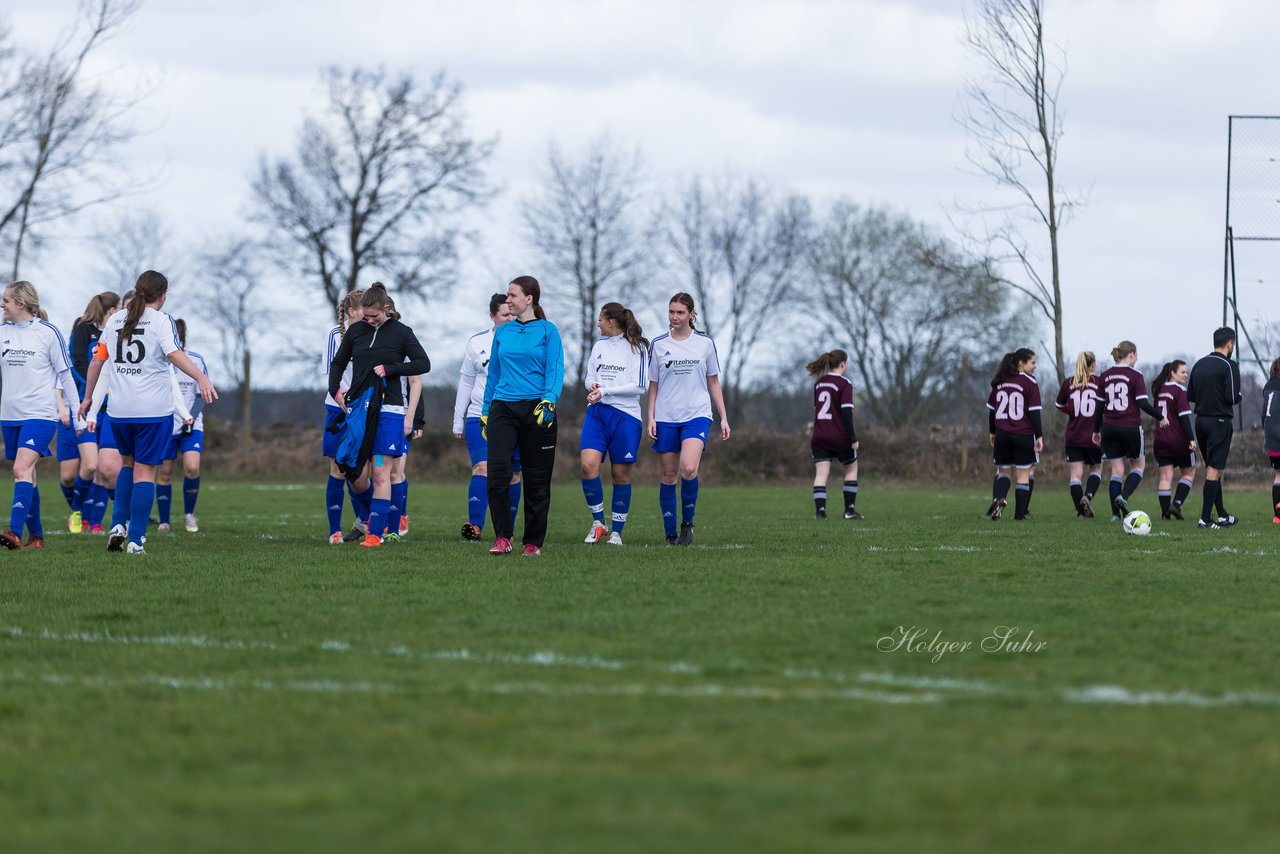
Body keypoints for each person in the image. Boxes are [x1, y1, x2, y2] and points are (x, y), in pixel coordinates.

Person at [78, 272, 217, 555]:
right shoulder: (161, 320)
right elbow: (174, 354)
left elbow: (97, 361)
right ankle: (136, 539)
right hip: (153, 411)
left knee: (127, 465)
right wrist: (201, 377)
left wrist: (89, 398)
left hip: (119, 411)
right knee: (145, 473)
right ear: (163, 295)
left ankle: (118, 524)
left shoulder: (115, 319)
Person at [328, 283, 430, 547]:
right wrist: (336, 390)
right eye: (366, 315)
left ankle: (375, 534)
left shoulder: (401, 332)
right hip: (359, 409)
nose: (369, 320)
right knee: (356, 474)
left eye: (374, 316)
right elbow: (339, 362)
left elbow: (423, 363)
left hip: (390, 411)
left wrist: (390, 368)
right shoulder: (356, 331)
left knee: (382, 473)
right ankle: (373, 518)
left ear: (386, 308)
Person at [480, 275, 564, 556]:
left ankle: (532, 543)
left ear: (529, 298)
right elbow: (494, 374)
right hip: (502, 408)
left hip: (538, 410)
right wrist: (485, 411)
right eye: (507, 296)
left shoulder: (548, 331)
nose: (508, 301)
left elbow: (555, 370)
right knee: (497, 476)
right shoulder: (503, 332)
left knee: (537, 480)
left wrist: (549, 401)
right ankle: (503, 537)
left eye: (513, 295)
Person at [0, 281, 83, 549]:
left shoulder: (47, 333)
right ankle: (36, 537)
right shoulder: (2, 331)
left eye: (6, 301)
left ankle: (14, 533)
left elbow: (66, 376)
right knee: (29, 474)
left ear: (21, 304)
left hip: (41, 414)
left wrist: (77, 413)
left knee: (20, 468)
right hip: (10, 416)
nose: (2, 305)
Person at [647, 292, 731, 545]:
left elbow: (713, 381)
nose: (674, 317)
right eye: (671, 312)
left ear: (691, 314)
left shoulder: (705, 343)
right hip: (666, 416)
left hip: (697, 414)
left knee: (688, 468)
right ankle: (670, 533)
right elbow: (653, 384)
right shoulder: (659, 344)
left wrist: (724, 417)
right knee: (669, 474)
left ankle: (688, 525)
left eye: (680, 312)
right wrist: (650, 416)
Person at [452, 293, 521, 542]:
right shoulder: (477, 342)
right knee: (483, 468)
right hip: (479, 416)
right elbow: (466, 381)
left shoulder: (524, 340)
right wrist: (457, 420)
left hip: (514, 417)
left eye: (513, 313)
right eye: (505, 315)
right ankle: (475, 526)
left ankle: (507, 531)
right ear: (492, 316)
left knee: (513, 474)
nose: (511, 318)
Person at [580, 302, 648, 546]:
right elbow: (589, 377)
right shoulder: (599, 346)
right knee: (588, 465)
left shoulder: (637, 347)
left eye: (600, 319)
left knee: (620, 475)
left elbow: (640, 386)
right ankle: (599, 522)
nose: (597, 323)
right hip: (597, 414)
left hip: (625, 418)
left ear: (611, 322)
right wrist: (594, 387)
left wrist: (606, 391)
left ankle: (616, 532)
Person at [57, 292, 119, 533]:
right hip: (86, 408)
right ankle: (77, 511)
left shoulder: (117, 332)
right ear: (111, 310)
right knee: (86, 468)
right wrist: (94, 391)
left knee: (102, 468)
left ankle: (94, 522)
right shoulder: (83, 330)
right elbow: (79, 364)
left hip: (112, 411)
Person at [1092, 340, 1166, 522]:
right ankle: (1123, 497)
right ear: (1131, 354)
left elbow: (1099, 407)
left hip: (1109, 427)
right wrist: (1160, 416)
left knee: (1116, 471)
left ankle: (1115, 515)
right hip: (1130, 427)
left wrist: (1096, 430)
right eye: (1136, 356)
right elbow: (1142, 403)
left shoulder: (1105, 375)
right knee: (1138, 466)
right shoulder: (1135, 375)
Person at [322, 289, 374, 544]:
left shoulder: (374, 332)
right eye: (365, 307)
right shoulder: (335, 334)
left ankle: (367, 521)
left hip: (364, 409)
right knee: (337, 469)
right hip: (338, 407)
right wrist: (342, 396)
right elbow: (331, 371)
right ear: (353, 311)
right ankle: (335, 531)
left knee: (358, 471)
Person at [377, 295, 425, 544]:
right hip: (380, 413)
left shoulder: (405, 343)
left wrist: (417, 420)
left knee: (398, 470)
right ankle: (381, 522)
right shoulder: (377, 343)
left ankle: (398, 518)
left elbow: (416, 382)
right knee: (381, 471)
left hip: (402, 414)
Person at [155, 319, 208, 534]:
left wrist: (191, 419)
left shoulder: (195, 360)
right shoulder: (160, 362)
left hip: (191, 427)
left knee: (192, 467)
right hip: (167, 425)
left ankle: (189, 515)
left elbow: (201, 394)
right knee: (165, 472)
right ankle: (164, 521)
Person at [1187, 327, 1242, 528]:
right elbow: (1232, 397)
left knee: (1212, 469)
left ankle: (1222, 515)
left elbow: (1190, 395)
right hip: (1219, 421)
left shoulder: (1199, 364)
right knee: (1214, 470)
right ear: (1230, 344)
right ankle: (1205, 519)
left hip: (1200, 421)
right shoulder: (1229, 365)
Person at [984, 348, 1042, 521]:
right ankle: (1019, 516)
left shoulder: (1000, 381)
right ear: (1020, 363)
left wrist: (992, 432)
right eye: (1032, 362)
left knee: (1003, 473)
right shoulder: (1030, 383)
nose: (1035, 366)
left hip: (1002, 434)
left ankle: (1000, 499)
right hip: (1022, 435)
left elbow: (992, 412)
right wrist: (1039, 436)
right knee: (1023, 476)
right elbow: (1034, 413)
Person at [806, 348, 862, 521]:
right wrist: (853, 438)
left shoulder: (819, 383)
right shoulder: (845, 384)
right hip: (839, 436)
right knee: (851, 470)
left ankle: (820, 512)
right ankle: (849, 511)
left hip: (820, 436)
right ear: (843, 363)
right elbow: (846, 413)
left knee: (821, 475)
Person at [1054, 351, 1103, 517]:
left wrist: (1072, 411)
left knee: (1075, 475)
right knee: (1096, 468)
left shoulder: (1069, 382)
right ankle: (1088, 496)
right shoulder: (1099, 382)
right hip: (1094, 436)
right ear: (1093, 365)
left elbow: (1058, 404)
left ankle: (1081, 512)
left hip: (1074, 435)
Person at [1151, 360, 1197, 521]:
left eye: (1186, 372)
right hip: (1178, 440)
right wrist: (1191, 439)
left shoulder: (1159, 389)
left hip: (1160, 440)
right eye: (1182, 372)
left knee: (1165, 477)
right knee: (1189, 473)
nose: (1186, 375)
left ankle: (1165, 515)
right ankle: (1176, 505)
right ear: (1173, 373)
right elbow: (1184, 418)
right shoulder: (1180, 390)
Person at [1261, 358, 1280, 523]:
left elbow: (1263, 415)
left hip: (1271, 437)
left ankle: (1277, 515)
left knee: (1278, 475)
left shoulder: (1268, 385)